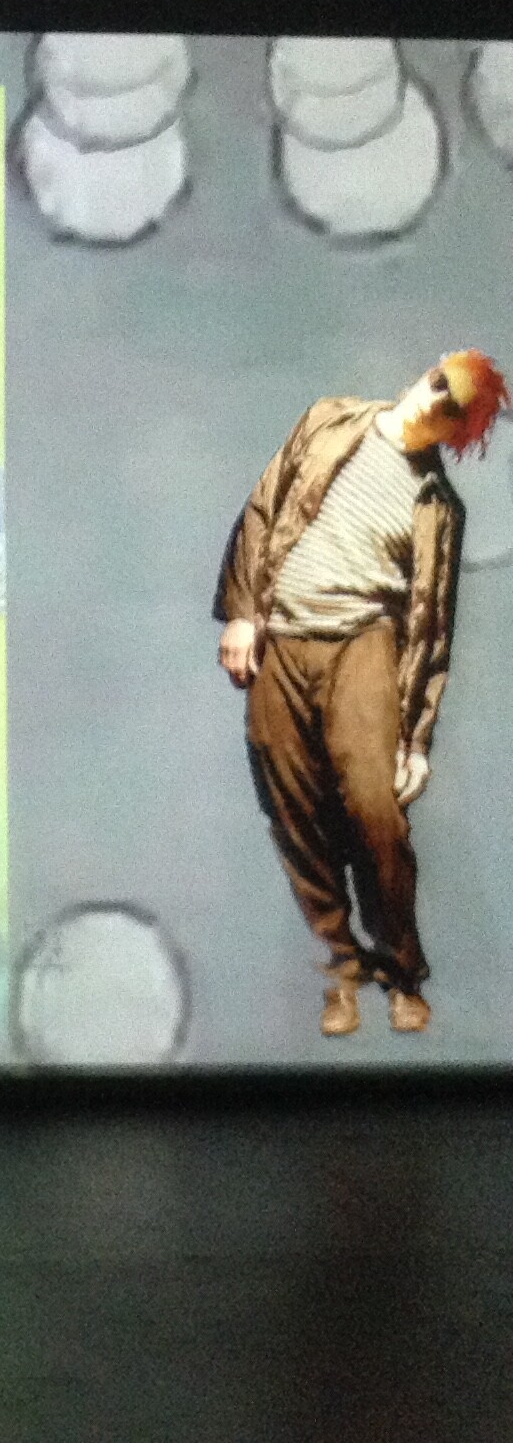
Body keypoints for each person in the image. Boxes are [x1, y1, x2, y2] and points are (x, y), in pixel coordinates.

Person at [214, 351, 506, 1037]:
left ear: (457, 432)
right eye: (438, 380)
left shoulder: (438, 506)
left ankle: (401, 971)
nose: (433, 398)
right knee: (294, 810)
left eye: (452, 405)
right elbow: (264, 508)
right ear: (426, 373)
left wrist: (417, 742)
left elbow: (432, 631)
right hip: (283, 638)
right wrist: (242, 614)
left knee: (377, 814)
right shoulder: (330, 421)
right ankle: (339, 970)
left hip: (364, 645)